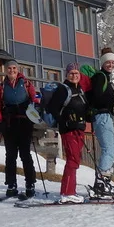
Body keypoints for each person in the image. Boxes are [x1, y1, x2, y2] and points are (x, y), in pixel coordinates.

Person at [86, 47, 114, 197]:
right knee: (108, 149)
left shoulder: (104, 77)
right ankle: (101, 183)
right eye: (108, 62)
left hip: (103, 116)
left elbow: (102, 98)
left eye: (113, 62)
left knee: (110, 149)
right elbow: (98, 98)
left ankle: (104, 182)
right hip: (102, 116)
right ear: (103, 63)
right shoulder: (100, 77)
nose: (110, 64)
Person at [44, 63, 89, 203]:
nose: (74, 76)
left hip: (79, 128)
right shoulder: (63, 90)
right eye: (71, 73)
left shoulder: (80, 89)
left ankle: (69, 191)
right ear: (66, 75)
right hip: (69, 130)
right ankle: (67, 192)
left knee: (75, 159)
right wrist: (64, 121)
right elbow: (52, 108)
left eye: (76, 73)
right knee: (72, 159)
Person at [0, 59, 38, 199]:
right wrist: (0, 122)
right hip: (9, 124)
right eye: (9, 68)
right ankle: (11, 185)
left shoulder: (26, 84)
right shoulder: (1, 87)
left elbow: (35, 100)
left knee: (25, 154)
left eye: (14, 68)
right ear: (5, 70)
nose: (11, 70)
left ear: (18, 69)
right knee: (10, 155)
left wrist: (35, 115)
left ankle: (30, 184)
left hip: (25, 123)